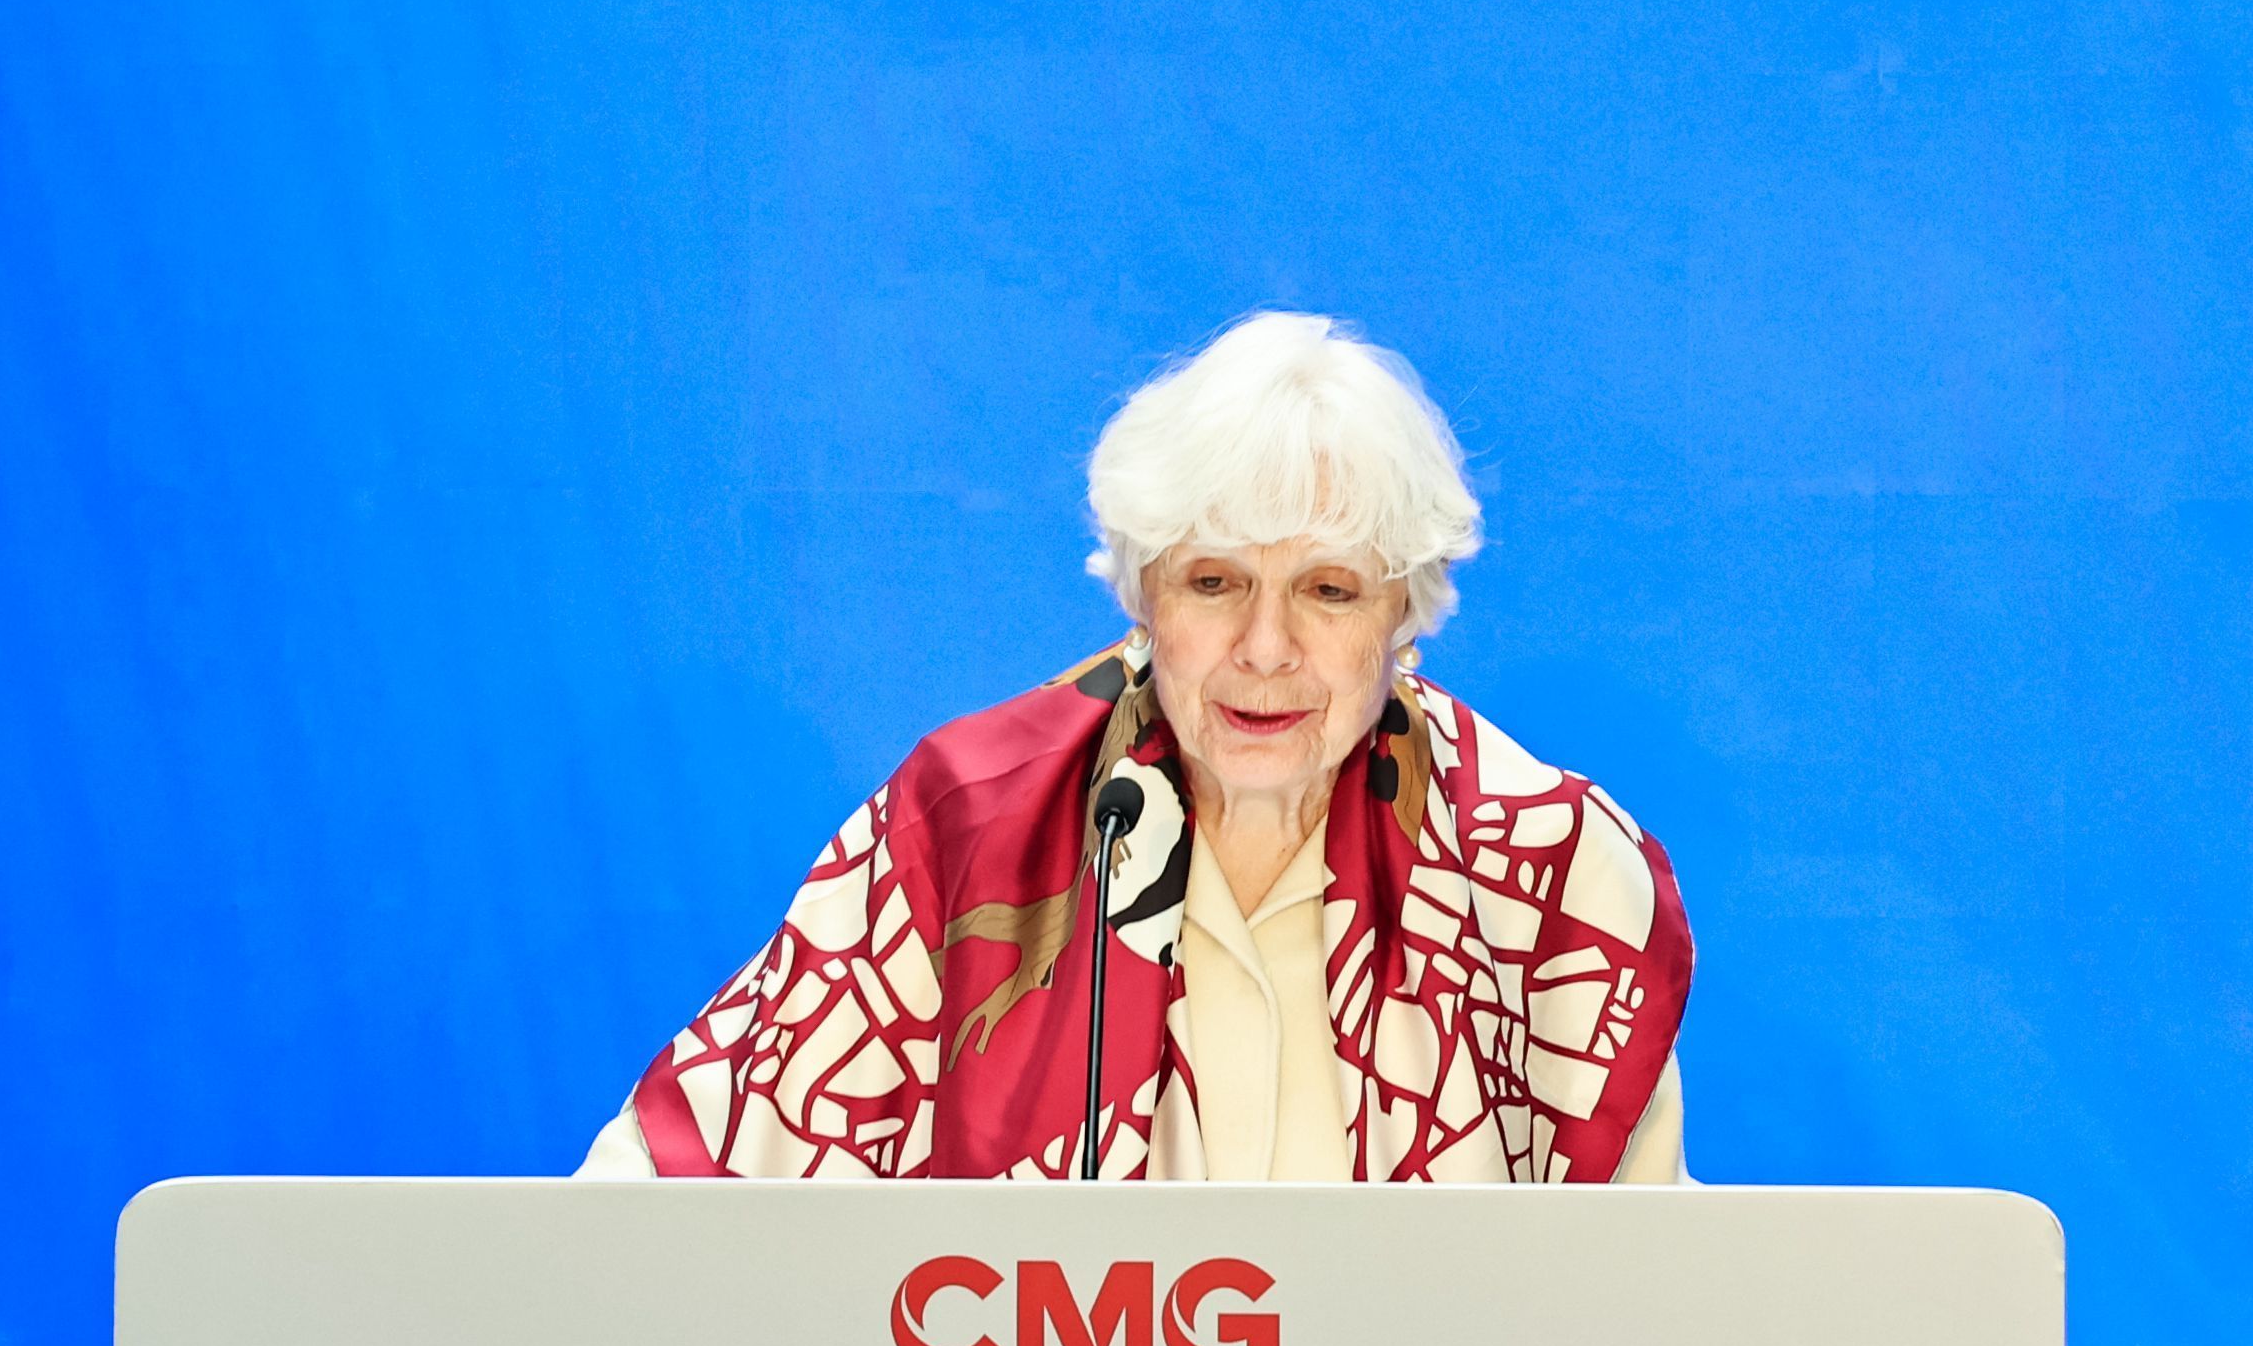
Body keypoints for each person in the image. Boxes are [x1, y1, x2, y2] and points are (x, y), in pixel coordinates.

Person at [580, 310, 1693, 1183]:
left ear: (1405, 611)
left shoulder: (1541, 869)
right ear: (1141, 594)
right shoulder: (966, 824)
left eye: (1328, 590)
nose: (1266, 648)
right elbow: (668, 1191)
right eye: (1213, 583)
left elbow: (1645, 1301)